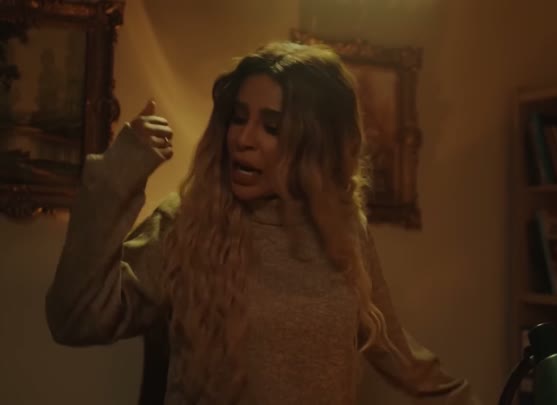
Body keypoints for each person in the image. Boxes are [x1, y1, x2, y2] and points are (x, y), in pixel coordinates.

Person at [45, 41, 477, 404]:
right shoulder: (187, 223)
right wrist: (117, 174)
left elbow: (395, 352)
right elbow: (77, 318)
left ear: (315, 143)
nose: (243, 138)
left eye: (271, 126)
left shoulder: (344, 229)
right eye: (238, 118)